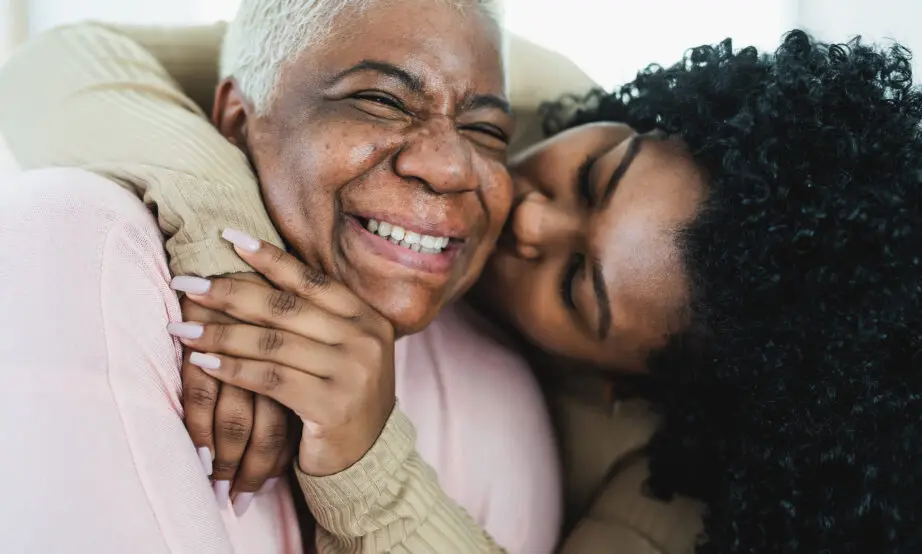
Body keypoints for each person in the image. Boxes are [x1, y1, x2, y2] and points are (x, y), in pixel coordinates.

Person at [6, 14, 922, 554]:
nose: (529, 213)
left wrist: (368, 456)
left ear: (619, 382)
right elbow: (64, 61)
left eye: (578, 285)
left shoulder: (664, 493)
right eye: (594, 174)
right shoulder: (500, 93)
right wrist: (221, 235)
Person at [0, 1, 565, 553]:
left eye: (487, 131)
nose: (450, 167)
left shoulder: (501, 398)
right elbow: (51, 63)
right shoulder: (90, 251)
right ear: (238, 121)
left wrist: (370, 476)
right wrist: (228, 239)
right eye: (380, 100)